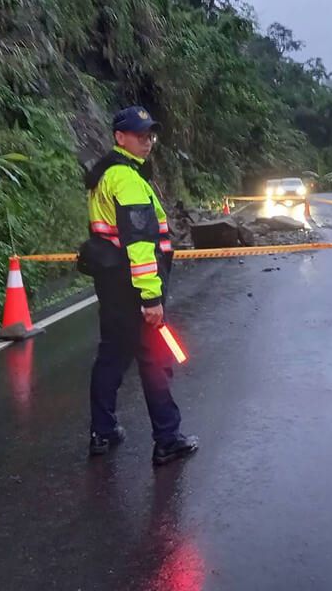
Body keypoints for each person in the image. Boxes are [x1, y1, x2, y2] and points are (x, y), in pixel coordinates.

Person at [80, 105, 198, 464]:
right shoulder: (127, 179)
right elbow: (141, 243)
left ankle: (102, 431)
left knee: (111, 356)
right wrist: (151, 298)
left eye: (150, 135)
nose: (147, 141)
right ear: (120, 137)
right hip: (133, 286)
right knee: (155, 359)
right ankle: (167, 439)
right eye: (139, 135)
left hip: (111, 284)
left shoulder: (104, 175)